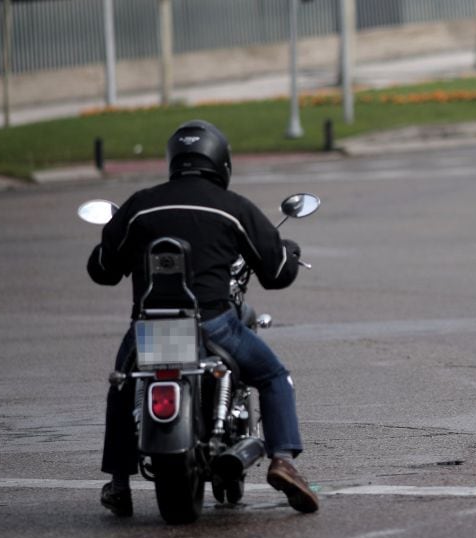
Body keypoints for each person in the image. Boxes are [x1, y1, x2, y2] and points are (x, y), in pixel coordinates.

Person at [87, 120, 319, 515]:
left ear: (173, 161)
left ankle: (120, 483)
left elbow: (102, 270)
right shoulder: (234, 208)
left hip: (151, 327)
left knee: (124, 386)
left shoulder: (141, 204)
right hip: (214, 324)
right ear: (220, 162)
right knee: (273, 375)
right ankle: (283, 460)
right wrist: (290, 253)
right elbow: (277, 273)